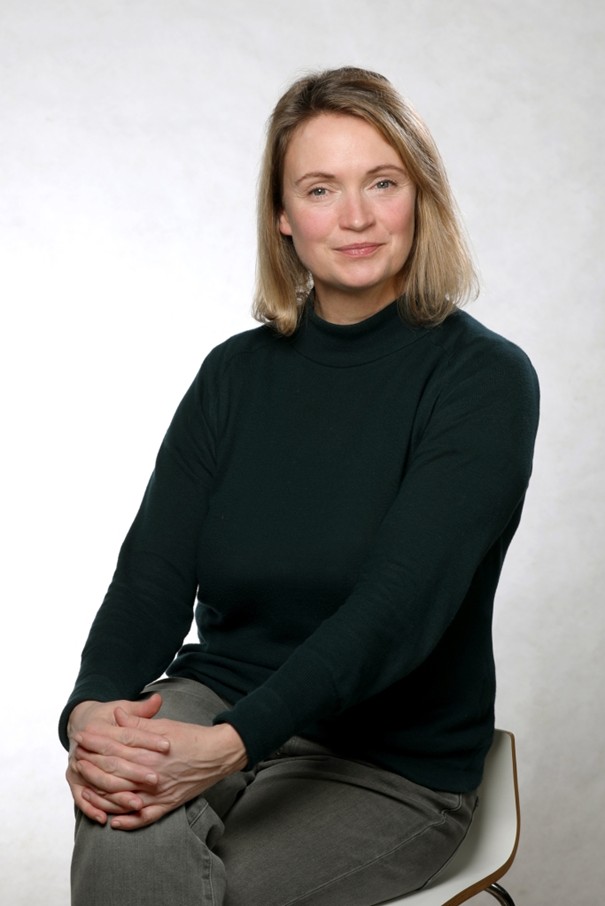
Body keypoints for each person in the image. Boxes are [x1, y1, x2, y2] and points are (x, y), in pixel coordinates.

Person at [59, 66, 539, 906]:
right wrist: (91, 714)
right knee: (127, 842)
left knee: (200, 892)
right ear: (282, 215)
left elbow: (396, 608)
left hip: (385, 760)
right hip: (214, 700)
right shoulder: (233, 375)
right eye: (320, 189)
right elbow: (152, 578)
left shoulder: (481, 380)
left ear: (419, 196)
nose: (354, 217)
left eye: (381, 182)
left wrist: (233, 744)